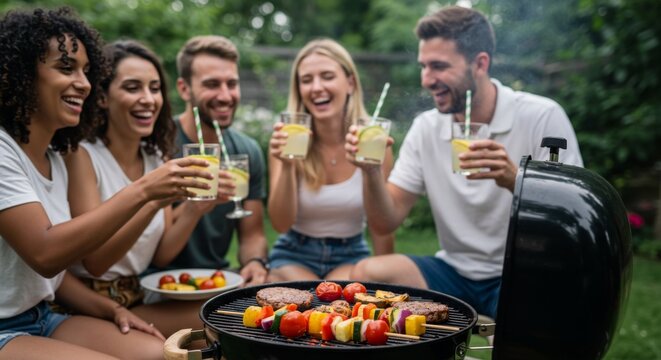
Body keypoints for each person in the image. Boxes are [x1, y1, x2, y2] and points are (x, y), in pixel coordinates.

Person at [0, 7, 212, 359]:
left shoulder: (56, 156)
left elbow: (49, 278)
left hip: (45, 315)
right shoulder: (6, 151)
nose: (83, 83)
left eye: (86, 71)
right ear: (20, 73)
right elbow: (45, 254)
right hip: (6, 327)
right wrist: (145, 190)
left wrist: (110, 310)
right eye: (66, 68)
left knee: (168, 355)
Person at [347, 6, 583, 319]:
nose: (426, 80)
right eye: (423, 67)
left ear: (480, 63)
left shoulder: (542, 116)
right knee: (370, 271)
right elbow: (384, 221)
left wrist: (516, 179)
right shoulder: (426, 127)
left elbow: (575, 217)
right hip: (454, 272)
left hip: (521, 272)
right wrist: (371, 172)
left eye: (439, 66)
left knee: (553, 311)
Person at [64, 40, 211, 337]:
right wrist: (151, 199)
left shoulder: (155, 157)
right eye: (133, 88)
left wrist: (196, 208)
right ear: (103, 97)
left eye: (155, 88)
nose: (148, 99)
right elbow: (97, 261)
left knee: (226, 319)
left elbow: (162, 255)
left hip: (137, 298)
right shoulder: (82, 156)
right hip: (87, 305)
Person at [267, 38, 395, 282]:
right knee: (304, 302)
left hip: (351, 254)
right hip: (294, 253)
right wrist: (286, 166)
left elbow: (382, 226)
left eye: (327, 76)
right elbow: (281, 224)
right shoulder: (288, 139)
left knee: (337, 303)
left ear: (350, 83)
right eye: (306, 80)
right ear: (299, 89)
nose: (316, 87)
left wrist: (387, 280)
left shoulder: (374, 141)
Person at [153, 35, 269, 286]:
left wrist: (254, 262)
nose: (226, 96)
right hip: (158, 282)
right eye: (212, 84)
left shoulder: (247, 151)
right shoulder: (157, 145)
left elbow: (253, 235)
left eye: (232, 83)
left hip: (216, 280)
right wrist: (197, 202)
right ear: (184, 88)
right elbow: (154, 248)